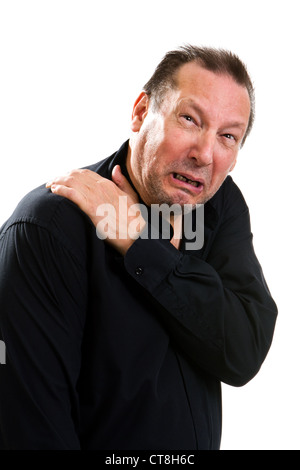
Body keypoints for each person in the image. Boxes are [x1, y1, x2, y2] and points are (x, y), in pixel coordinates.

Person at [0, 45, 277, 450]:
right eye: (189, 119)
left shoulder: (218, 206)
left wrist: (143, 246)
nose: (204, 153)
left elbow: (242, 352)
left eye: (228, 136)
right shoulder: (46, 230)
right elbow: (31, 429)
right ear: (141, 111)